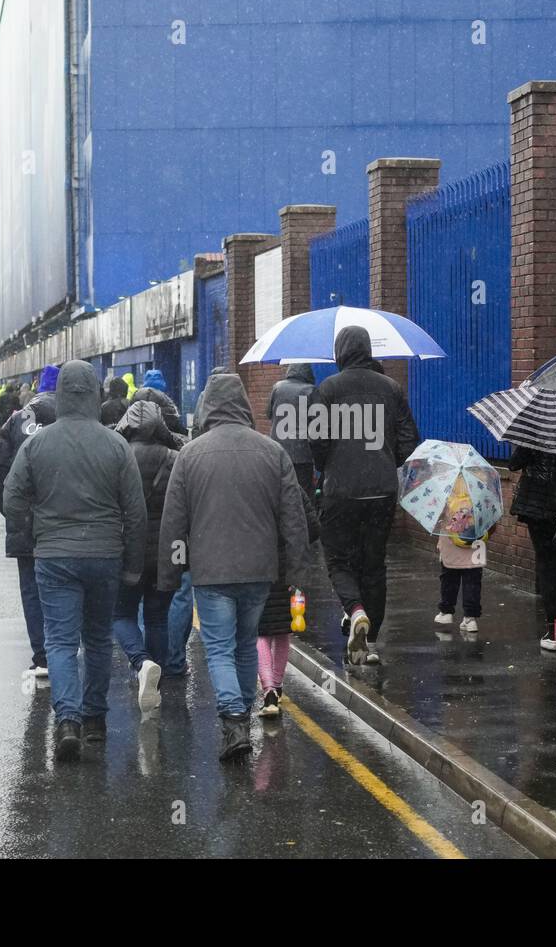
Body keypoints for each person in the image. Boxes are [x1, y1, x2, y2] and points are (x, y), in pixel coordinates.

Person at [158, 373, 309, 761]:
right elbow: (294, 517)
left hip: (211, 571)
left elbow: (174, 521)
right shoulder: (272, 452)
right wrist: (295, 572)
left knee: (220, 649)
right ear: (243, 404)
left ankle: (234, 718)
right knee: (244, 644)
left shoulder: (190, 455)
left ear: (208, 405)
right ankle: (240, 720)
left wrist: (171, 572)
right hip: (260, 570)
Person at [3, 360, 147, 763]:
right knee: (98, 639)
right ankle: (96, 720)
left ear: (62, 393)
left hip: (53, 556)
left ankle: (67, 721)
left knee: (61, 641)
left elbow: (13, 496)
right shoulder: (116, 444)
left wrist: (34, 531)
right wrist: (132, 565)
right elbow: (135, 512)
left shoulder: (37, 444)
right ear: (95, 395)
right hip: (104, 556)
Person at [308, 326, 420, 666]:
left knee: (339, 560)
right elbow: (409, 443)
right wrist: (385, 462)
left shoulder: (326, 390)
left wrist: (330, 466)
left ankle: (355, 611)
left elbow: (317, 444)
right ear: (368, 349)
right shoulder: (391, 388)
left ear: (340, 351)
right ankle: (369, 643)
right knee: (374, 563)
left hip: (341, 490)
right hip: (382, 490)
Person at [0, 364, 60, 681]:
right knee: (67, 588)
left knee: (31, 589)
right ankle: (65, 650)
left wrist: (12, 511)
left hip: (27, 524)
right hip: (68, 522)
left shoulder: (16, 422)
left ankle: (42, 657)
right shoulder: (79, 421)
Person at [110, 399, 180, 709]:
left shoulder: (117, 456)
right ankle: (157, 682)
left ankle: (141, 664)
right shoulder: (175, 457)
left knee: (121, 614)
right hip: (166, 552)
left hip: (129, 552)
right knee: (157, 619)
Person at [509, 444, 556, 651]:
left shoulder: (534, 430)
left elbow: (513, 464)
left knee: (546, 563)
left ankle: (555, 630)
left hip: (537, 504)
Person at [255, 488, 320, 718]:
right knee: (284, 629)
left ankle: (269, 690)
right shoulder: (292, 487)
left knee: (261, 631)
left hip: (259, 564)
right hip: (290, 566)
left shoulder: (255, 483)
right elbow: (313, 527)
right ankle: (278, 687)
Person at [267, 363, 317, 499]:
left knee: (281, 492)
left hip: (278, 451)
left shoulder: (277, 388)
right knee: (303, 495)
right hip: (302, 454)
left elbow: (269, 414)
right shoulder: (311, 390)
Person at [434, 523, 490, 634]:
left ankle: (446, 611)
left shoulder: (448, 505)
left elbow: (438, 521)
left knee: (449, 578)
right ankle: (470, 618)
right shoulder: (481, 506)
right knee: (472, 581)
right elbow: (491, 526)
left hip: (450, 542)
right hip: (474, 545)